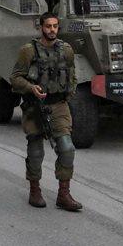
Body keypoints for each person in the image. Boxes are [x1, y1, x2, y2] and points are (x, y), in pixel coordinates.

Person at [9, 12, 82, 211]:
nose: (52, 30)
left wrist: (67, 95)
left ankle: (63, 194)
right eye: (48, 26)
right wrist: (31, 88)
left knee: (67, 148)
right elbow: (15, 78)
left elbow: (72, 76)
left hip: (58, 105)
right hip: (35, 106)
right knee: (35, 149)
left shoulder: (66, 50)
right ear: (41, 27)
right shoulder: (28, 51)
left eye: (55, 26)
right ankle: (35, 189)